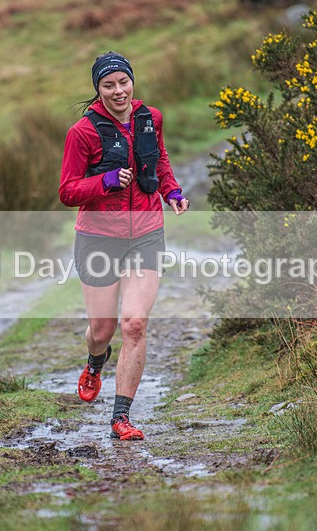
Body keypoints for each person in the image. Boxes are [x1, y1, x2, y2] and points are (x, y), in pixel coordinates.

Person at [59, 51, 189, 441]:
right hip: (98, 238)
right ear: (98, 90)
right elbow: (67, 191)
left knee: (134, 323)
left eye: (123, 82)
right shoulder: (82, 132)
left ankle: (120, 418)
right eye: (108, 85)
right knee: (103, 328)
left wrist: (172, 190)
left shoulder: (151, 118)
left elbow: (159, 161)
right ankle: (95, 361)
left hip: (147, 233)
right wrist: (107, 181)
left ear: (132, 82)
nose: (118, 91)